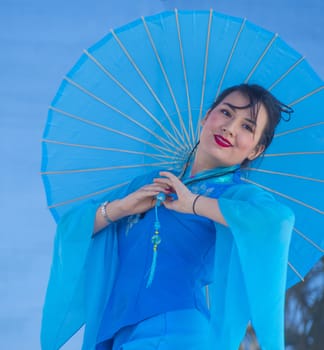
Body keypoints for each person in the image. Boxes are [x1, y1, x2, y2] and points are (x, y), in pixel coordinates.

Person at [41, 84, 295, 350]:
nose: (230, 128)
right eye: (226, 113)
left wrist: (193, 203)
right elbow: (73, 226)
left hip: (178, 332)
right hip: (116, 335)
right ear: (206, 117)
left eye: (247, 127)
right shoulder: (152, 183)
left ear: (255, 150)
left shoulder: (235, 195)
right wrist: (122, 207)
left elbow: (277, 221)